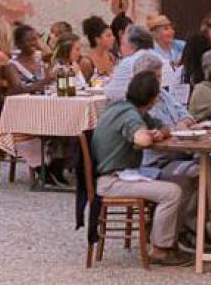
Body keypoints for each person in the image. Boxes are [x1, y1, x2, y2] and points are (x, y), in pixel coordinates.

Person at [89, 70, 191, 266]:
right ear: (153, 99)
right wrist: (151, 135)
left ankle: (165, 238)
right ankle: (160, 249)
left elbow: (162, 125)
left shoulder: (123, 107)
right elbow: (142, 139)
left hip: (119, 175)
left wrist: (159, 130)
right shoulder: (130, 116)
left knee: (177, 181)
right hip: (112, 180)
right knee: (172, 192)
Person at [103, 25, 169, 101]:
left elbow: (112, 93)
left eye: (122, 43)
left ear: (132, 46)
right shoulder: (162, 59)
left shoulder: (128, 62)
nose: (120, 48)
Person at [80, 15, 116, 80]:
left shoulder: (111, 57)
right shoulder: (87, 62)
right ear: (97, 39)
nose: (113, 38)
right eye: (108, 36)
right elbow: (82, 85)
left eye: (112, 35)